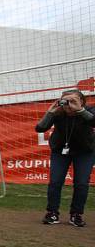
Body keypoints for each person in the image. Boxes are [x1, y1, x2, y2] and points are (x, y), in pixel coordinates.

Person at [36, 89, 95, 227]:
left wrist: (79, 110)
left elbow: (93, 122)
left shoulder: (89, 110)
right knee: (55, 182)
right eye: (66, 101)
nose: (68, 104)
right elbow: (40, 128)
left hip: (84, 152)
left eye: (73, 100)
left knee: (81, 183)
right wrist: (50, 112)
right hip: (60, 152)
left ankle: (76, 215)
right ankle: (52, 213)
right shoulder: (59, 112)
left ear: (82, 101)